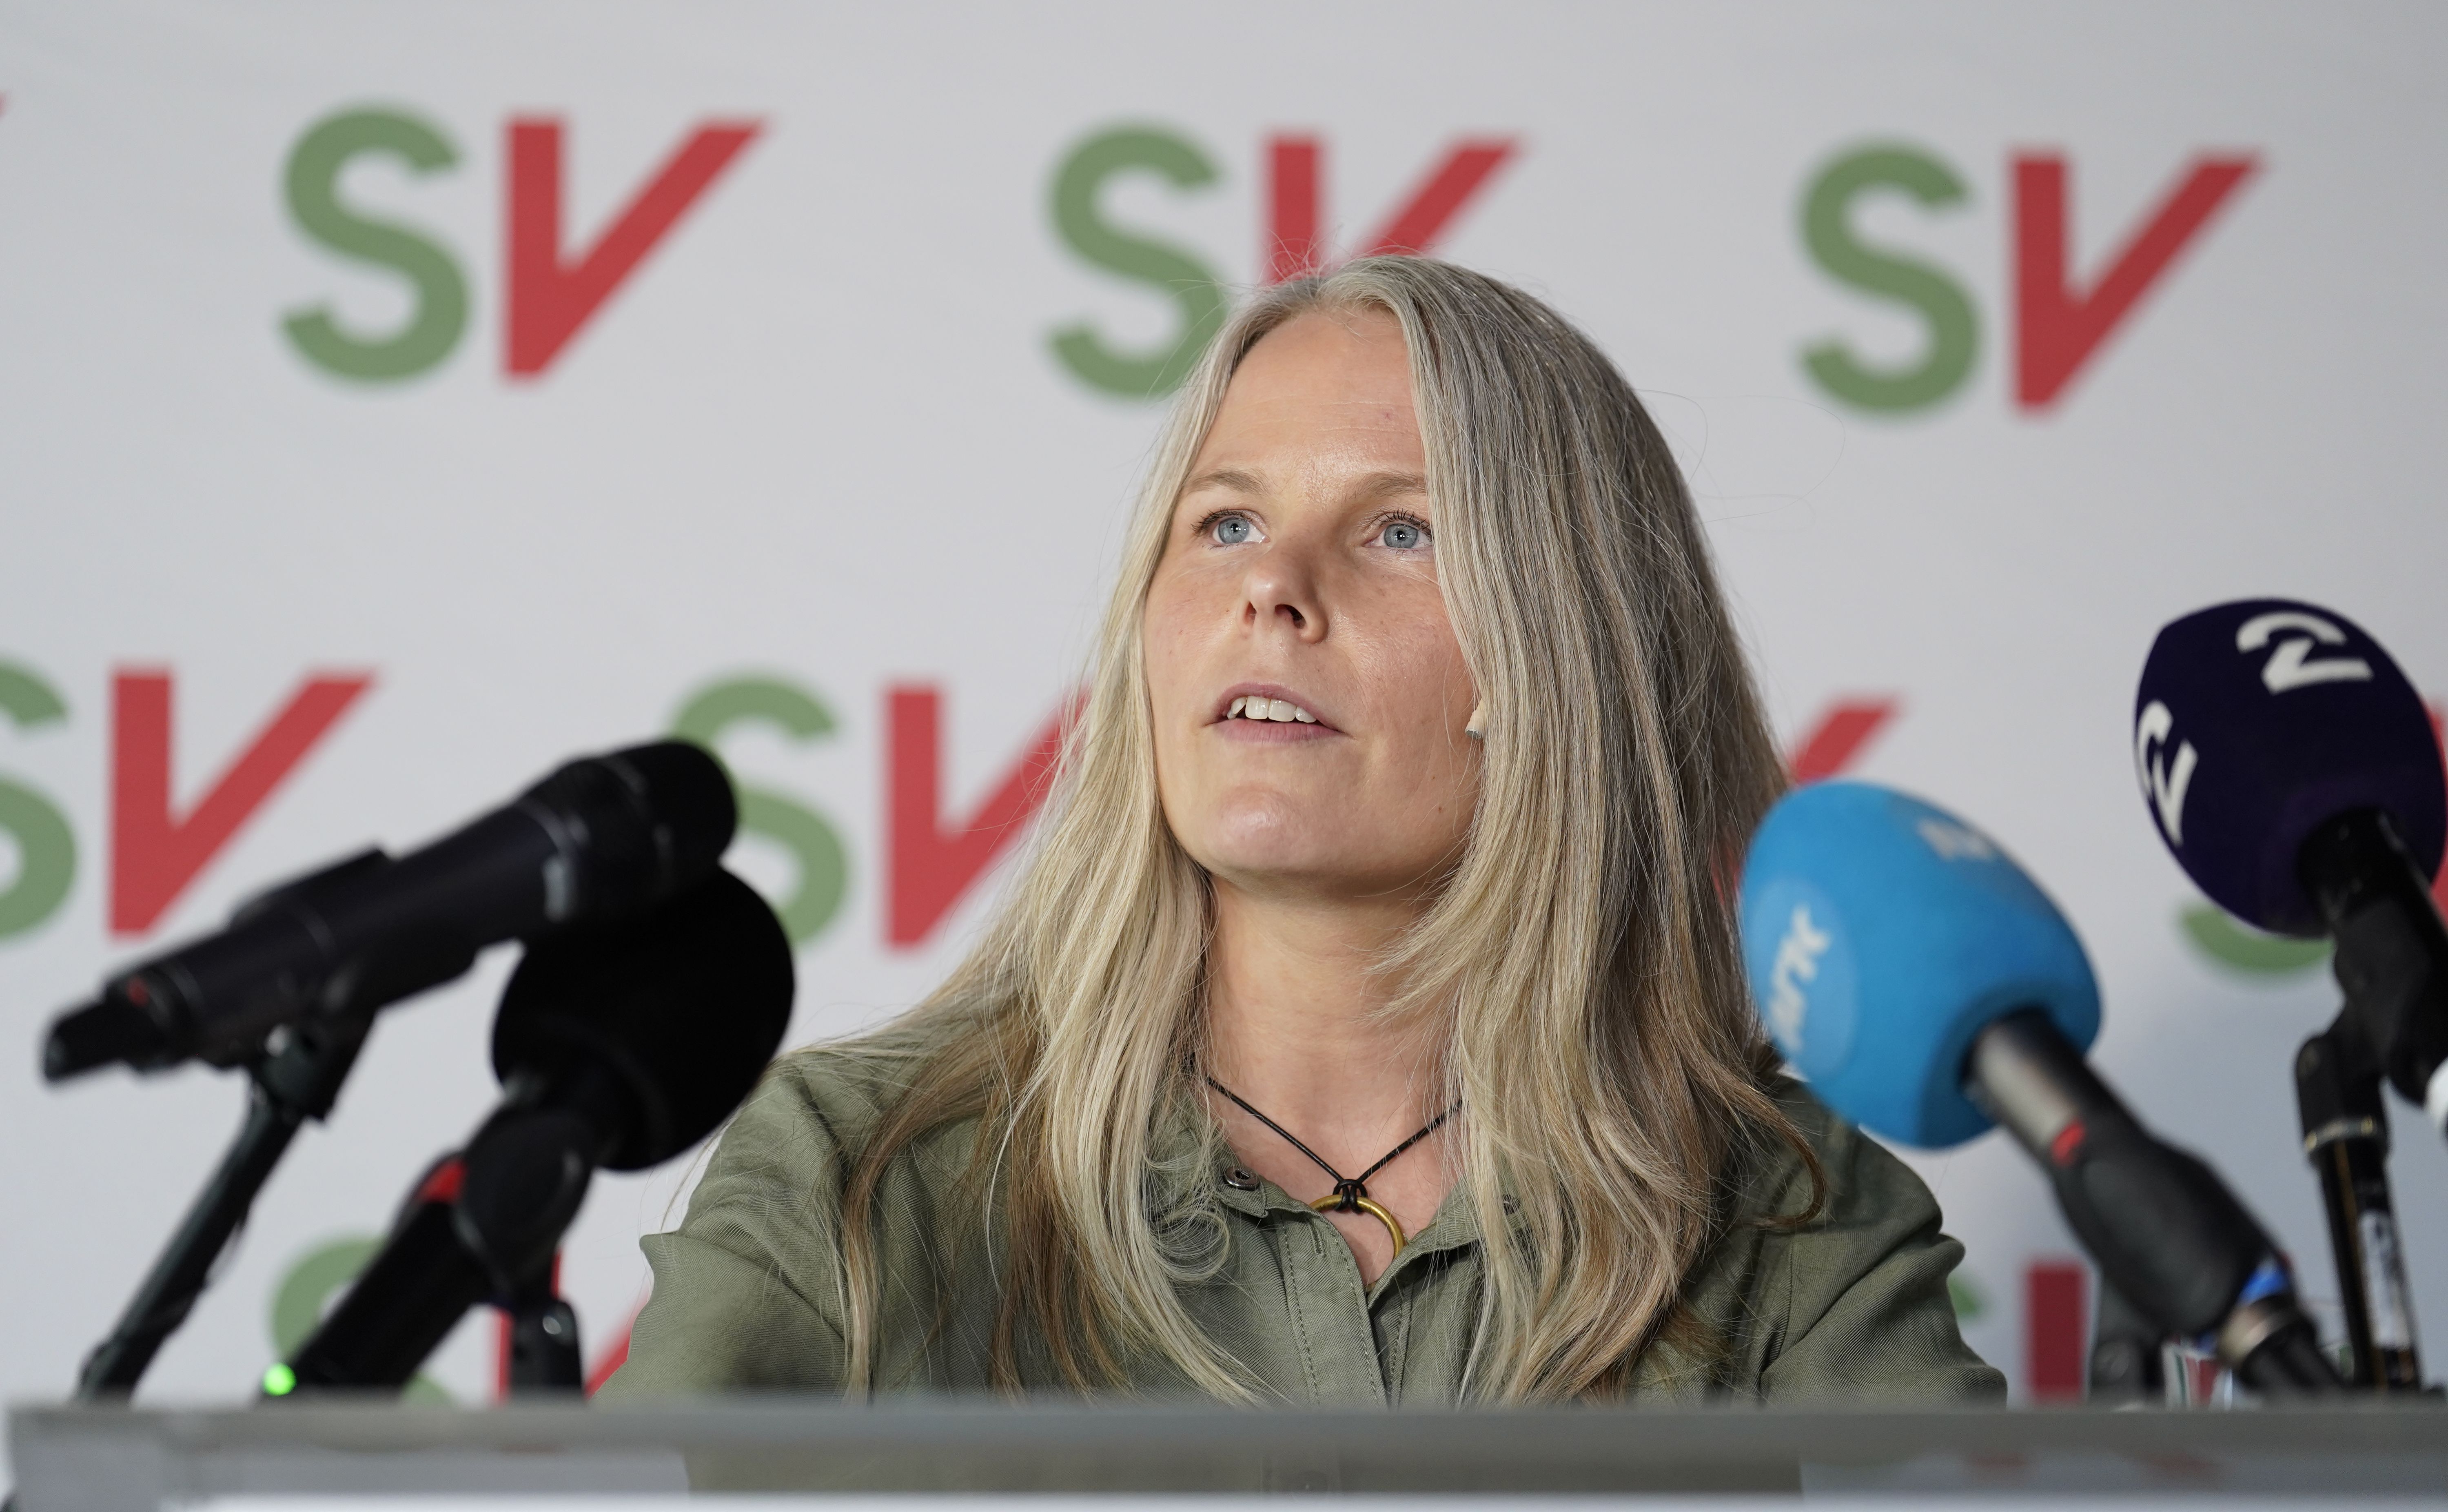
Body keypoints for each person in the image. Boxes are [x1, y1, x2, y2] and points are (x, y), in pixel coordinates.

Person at [603, 257, 2001, 1405]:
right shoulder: (855, 1176)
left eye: (1401, 532)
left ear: (1562, 651)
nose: (1271, 584)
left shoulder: (1794, 1217)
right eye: (1224, 524)